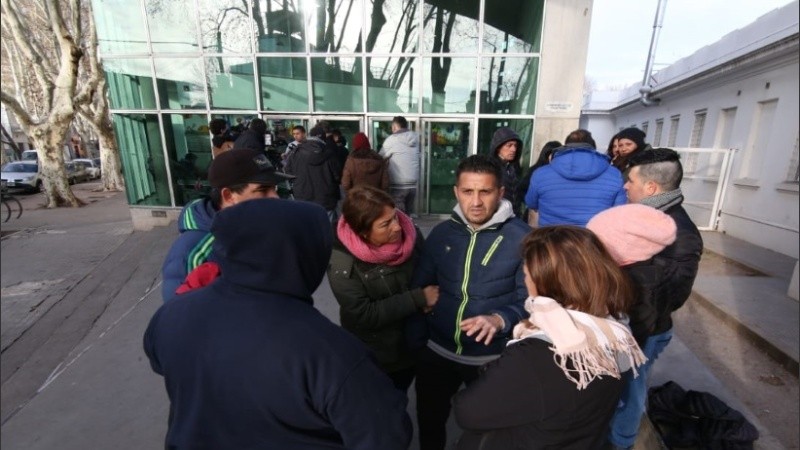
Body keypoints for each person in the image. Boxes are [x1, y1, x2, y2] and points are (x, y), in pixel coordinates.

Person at [145, 199, 413, 449]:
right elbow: (387, 436)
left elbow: (162, 364)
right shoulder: (331, 353)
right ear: (305, 255)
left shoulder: (171, 314)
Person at [452, 226, 645, 450]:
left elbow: (467, 411)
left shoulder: (539, 354)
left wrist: (492, 369)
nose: (525, 281)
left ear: (544, 282)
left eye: (526, 274)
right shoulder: (615, 332)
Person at [410, 154, 531, 450]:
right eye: (467, 191)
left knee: (488, 433)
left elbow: (531, 300)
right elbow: (419, 285)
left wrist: (500, 319)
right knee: (429, 422)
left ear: (500, 193)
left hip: (491, 360)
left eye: (485, 191)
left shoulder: (524, 239)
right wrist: (417, 339)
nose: (475, 202)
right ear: (456, 192)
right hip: (436, 351)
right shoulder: (441, 234)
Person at [606, 147, 703, 450]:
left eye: (630, 181)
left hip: (642, 332)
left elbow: (665, 298)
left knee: (630, 393)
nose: (625, 186)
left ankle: (620, 443)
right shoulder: (644, 217)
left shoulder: (680, 235)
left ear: (651, 188)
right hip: (625, 324)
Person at [328, 185, 438, 390]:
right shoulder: (343, 262)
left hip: (414, 341)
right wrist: (418, 298)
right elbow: (363, 313)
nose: (397, 227)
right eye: (385, 224)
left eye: (395, 217)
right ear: (363, 232)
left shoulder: (411, 234)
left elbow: (429, 269)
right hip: (378, 354)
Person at [160, 149, 294, 301]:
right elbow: (180, 311)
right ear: (228, 196)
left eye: (274, 188)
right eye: (263, 190)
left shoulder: (256, 225)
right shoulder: (192, 253)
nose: (275, 197)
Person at [587, 203, 678, 346]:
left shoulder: (642, 283)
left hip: (639, 345)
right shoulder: (632, 270)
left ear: (621, 250)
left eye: (597, 245)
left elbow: (639, 330)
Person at [524, 128, 626, 227]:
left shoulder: (541, 173)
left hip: (552, 235)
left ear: (565, 146)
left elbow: (531, 203)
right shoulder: (614, 174)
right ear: (593, 147)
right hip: (594, 236)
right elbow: (619, 210)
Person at [289, 124, 343, 223]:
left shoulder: (295, 152)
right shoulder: (329, 153)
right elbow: (338, 176)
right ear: (323, 138)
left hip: (302, 197)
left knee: (305, 228)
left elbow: (288, 172)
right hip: (325, 199)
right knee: (326, 228)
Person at [379, 116, 420, 215]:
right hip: (413, 184)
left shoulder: (392, 140)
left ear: (394, 127)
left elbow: (379, 157)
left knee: (399, 217)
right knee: (407, 216)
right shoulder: (415, 138)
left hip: (398, 185)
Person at [516, 140, 562, 226]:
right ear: (548, 155)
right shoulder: (535, 171)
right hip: (536, 215)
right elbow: (521, 190)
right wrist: (534, 203)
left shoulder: (560, 172)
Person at [488, 127, 524, 216]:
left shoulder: (512, 167)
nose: (513, 149)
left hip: (513, 216)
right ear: (498, 147)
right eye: (509, 145)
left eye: (515, 146)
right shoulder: (490, 168)